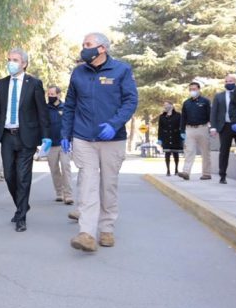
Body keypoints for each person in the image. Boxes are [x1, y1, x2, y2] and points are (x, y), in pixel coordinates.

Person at [61, 32, 138, 252]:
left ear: (102, 48)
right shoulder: (78, 72)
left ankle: (106, 228)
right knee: (87, 183)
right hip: (83, 137)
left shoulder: (121, 70)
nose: (83, 48)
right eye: (83, 44)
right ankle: (86, 233)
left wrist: (114, 124)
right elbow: (70, 105)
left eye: (88, 44)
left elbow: (131, 101)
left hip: (112, 138)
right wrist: (65, 134)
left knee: (108, 184)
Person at [0, 48, 50, 232]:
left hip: (26, 136)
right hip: (7, 136)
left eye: (15, 60)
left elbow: (42, 111)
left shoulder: (34, 84)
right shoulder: (2, 84)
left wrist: (46, 135)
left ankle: (21, 216)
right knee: (9, 176)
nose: (11, 63)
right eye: (9, 59)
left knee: (23, 177)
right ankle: (22, 205)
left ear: (24, 63)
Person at [178, 82, 211, 180]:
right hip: (189, 130)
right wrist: (182, 130)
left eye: (194, 89)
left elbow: (210, 115)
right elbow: (183, 117)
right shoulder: (186, 103)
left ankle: (206, 173)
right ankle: (186, 172)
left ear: (199, 89)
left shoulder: (205, 101)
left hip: (203, 128)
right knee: (189, 151)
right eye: (190, 89)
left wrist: (212, 127)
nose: (192, 91)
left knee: (205, 152)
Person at [46, 85, 73, 204]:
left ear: (58, 95)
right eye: (48, 94)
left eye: (52, 94)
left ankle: (68, 195)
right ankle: (59, 193)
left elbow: (70, 123)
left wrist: (69, 138)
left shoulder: (65, 107)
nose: (50, 96)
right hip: (50, 144)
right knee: (54, 169)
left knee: (65, 167)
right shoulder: (45, 109)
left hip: (64, 143)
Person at [210, 74, 236, 184]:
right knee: (224, 151)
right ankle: (222, 175)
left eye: (230, 81)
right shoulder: (219, 96)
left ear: (235, 82)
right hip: (225, 126)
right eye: (226, 81)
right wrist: (213, 127)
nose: (228, 83)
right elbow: (214, 112)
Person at [157, 101, 182, 176]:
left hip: (175, 137)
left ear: (171, 105)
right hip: (166, 137)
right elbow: (160, 128)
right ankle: (168, 170)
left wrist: (182, 136)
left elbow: (181, 126)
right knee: (167, 154)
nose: (165, 106)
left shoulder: (178, 115)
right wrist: (159, 139)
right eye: (164, 105)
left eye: (167, 105)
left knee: (175, 154)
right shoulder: (162, 116)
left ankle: (176, 169)